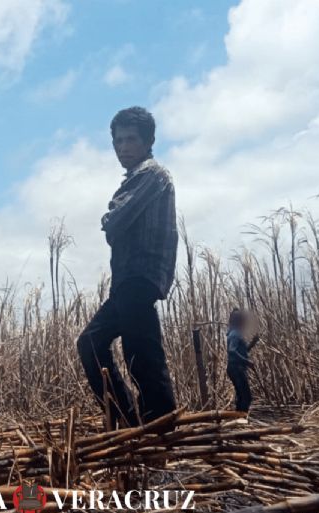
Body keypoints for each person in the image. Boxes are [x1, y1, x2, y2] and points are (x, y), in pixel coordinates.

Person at [77, 106, 178, 428]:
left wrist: (109, 219)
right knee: (92, 343)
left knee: (142, 354)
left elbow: (114, 221)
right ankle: (127, 419)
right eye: (118, 141)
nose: (123, 147)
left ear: (148, 141)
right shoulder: (139, 178)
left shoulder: (151, 174)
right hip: (127, 281)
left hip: (140, 276)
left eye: (131, 139)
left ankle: (160, 425)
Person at [226, 308, 259, 414]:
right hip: (236, 369)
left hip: (235, 369)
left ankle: (238, 418)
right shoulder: (235, 334)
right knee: (246, 397)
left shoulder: (234, 333)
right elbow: (232, 351)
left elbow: (242, 352)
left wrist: (252, 343)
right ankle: (240, 418)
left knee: (242, 396)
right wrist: (247, 362)